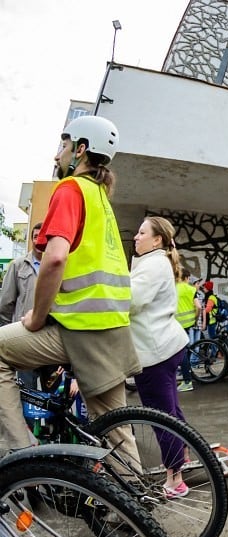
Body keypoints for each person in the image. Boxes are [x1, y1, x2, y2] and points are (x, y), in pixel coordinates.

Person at [0, 115, 141, 457]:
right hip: (112, 330)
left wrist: (35, 318)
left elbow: (55, 258)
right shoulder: (101, 199)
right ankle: (135, 500)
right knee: (116, 430)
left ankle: (23, 451)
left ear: (80, 149)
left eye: (63, 146)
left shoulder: (70, 189)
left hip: (79, 328)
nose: (57, 155)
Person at [129, 216, 191, 497]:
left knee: (161, 417)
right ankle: (185, 452)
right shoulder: (155, 262)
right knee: (171, 410)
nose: (136, 237)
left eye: (142, 233)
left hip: (154, 353)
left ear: (158, 240)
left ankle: (176, 479)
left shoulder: (153, 264)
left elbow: (131, 300)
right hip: (165, 346)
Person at [0, 222, 43, 395]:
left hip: (51, 339)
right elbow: (5, 304)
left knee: (54, 397)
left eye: (44, 237)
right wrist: (11, 331)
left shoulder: (57, 266)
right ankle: (28, 423)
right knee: (27, 393)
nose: (39, 240)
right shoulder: (18, 265)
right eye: (35, 236)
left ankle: (53, 424)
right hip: (25, 340)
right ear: (32, 240)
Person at [175, 269, 200, 392]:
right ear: (187, 277)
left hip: (177, 324)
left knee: (182, 351)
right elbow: (199, 306)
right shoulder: (191, 289)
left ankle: (187, 381)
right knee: (184, 348)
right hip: (189, 323)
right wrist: (195, 317)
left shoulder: (173, 289)